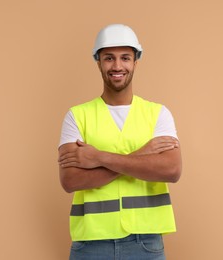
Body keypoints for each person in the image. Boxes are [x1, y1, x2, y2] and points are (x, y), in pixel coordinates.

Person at [58, 24, 182, 260]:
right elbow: (70, 180)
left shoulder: (158, 114)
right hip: (90, 244)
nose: (117, 66)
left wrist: (98, 157)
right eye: (108, 58)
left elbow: (172, 170)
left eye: (125, 57)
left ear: (136, 61)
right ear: (98, 62)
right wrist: (143, 155)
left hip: (145, 242)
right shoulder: (77, 116)